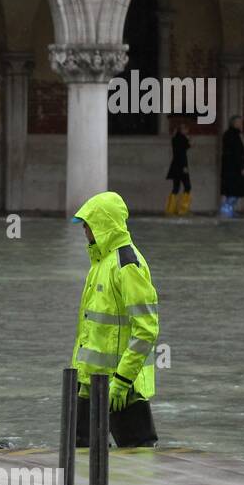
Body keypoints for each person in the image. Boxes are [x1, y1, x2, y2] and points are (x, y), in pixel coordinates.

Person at [70, 191, 159, 448]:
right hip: (90, 382)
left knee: (139, 460)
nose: (85, 231)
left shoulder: (127, 265)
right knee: (83, 459)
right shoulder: (100, 263)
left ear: (102, 225)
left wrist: (122, 381)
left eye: (88, 225)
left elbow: (146, 330)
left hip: (121, 388)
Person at [220, 116, 244, 218]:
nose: (241, 125)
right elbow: (236, 154)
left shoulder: (232, 135)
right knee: (233, 191)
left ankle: (229, 210)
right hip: (233, 170)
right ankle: (226, 211)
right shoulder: (232, 136)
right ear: (235, 123)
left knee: (233, 191)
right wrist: (241, 167)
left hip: (231, 169)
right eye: (240, 122)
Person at [165, 119, 191, 217]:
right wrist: (184, 166)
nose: (187, 131)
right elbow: (182, 154)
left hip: (176, 166)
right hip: (181, 166)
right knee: (187, 186)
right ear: (182, 130)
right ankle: (183, 209)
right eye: (186, 129)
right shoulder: (182, 139)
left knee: (176, 187)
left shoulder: (176, 138)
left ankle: (171, 209)